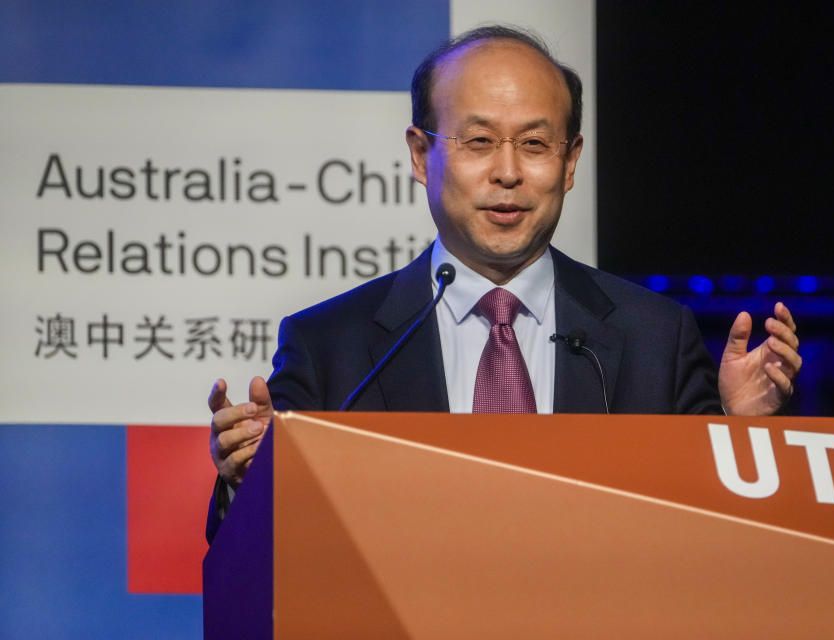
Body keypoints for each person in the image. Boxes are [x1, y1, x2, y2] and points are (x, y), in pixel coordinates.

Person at [206, 26, 801, 541]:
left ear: (569, 163)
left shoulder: (655, 337)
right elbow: (259, 562)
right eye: (480, 141)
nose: (509, 172)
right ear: (420, 155)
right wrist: (247, 486)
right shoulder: (331, 345)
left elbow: (710, 546)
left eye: (536, 144)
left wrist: (739, 434)